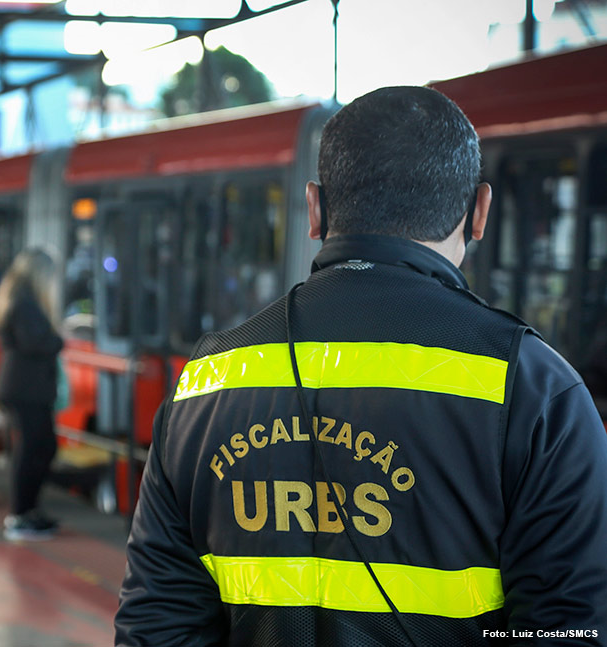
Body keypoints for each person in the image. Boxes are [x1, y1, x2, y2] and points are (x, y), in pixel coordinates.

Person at [116, 87, 607, 646]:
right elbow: (566, 631)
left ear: (315, 208)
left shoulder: (206, 381)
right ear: (480, 211)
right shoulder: (534, 389)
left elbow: (156, 627)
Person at [0, 248, 64, 541]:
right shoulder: (24, 303)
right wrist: (58, 339)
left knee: (39, 448)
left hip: (24, 386)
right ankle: (21, 515)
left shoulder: (17, 298)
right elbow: (39, 342)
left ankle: (29, 511)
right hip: (25, 388)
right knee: (36, 448)